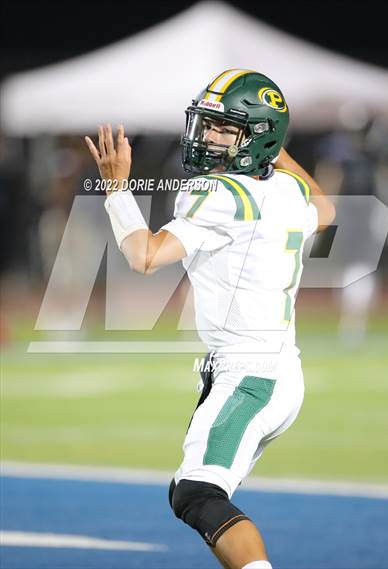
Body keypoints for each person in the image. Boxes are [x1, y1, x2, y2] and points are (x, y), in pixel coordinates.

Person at [85, 69, 335, 569]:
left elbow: (144, 256)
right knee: (192, 490)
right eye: (208, 125)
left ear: (257, 136)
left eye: (224, 129)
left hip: (250, 376)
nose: (208, 138)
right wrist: (276, 150)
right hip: (276, 371)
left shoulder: (219, 194)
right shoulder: (288, 190)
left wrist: (116, 189)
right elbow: (325, 209)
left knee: (197, 494)